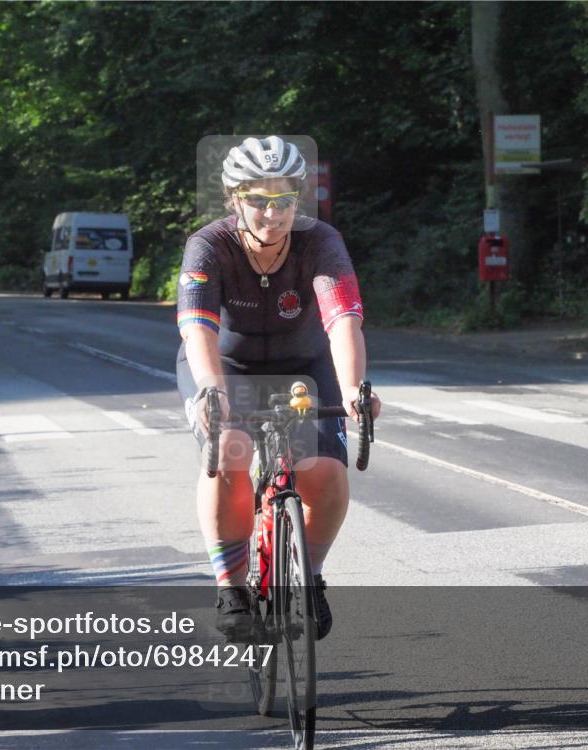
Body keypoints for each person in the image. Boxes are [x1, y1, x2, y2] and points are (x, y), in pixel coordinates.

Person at [176, 136, 381, 641]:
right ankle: (231, 587)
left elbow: (342, 321)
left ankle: (309, 578)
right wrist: (211, 389)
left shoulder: (321, 242)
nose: (273, 213)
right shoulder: (208, 245)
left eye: (285, 200)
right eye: (258, 200)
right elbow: (196, 327)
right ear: (234, 199)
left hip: (305, 366)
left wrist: (354, 388)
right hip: (224, 364)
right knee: (229, 452)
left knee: (327, 474)